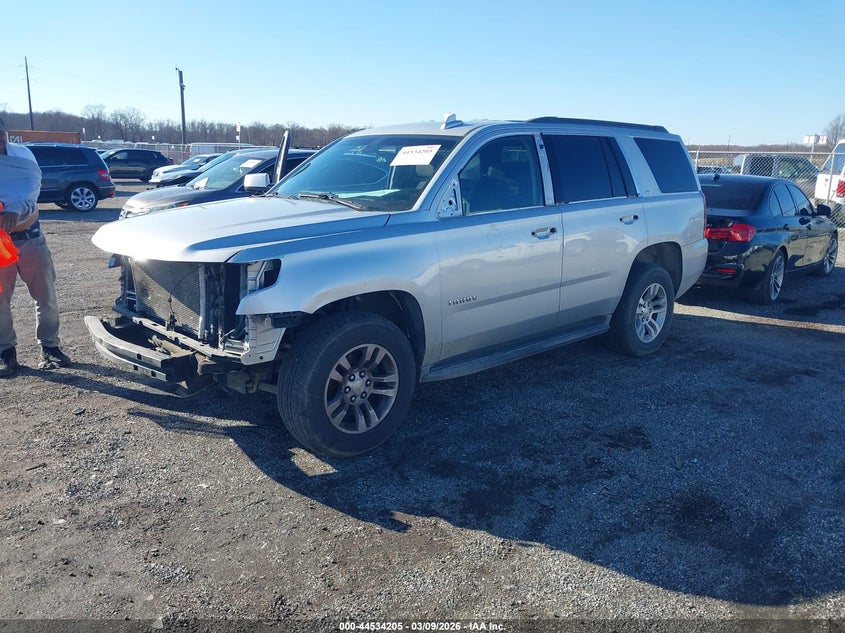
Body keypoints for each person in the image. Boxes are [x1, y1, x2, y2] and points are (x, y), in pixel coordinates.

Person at [0, 117, 71, 377]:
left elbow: (31, 190)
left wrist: (16, 207)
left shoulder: (22, 156)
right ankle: (6, 352)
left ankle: (50, 347)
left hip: (31, 238)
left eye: (1, 133)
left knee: (46, 296)